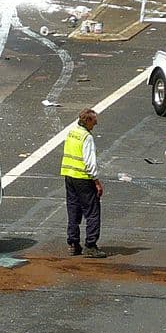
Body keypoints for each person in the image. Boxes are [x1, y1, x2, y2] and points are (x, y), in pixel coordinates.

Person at [60, 108, 106, 258]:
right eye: (94, 122)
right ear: (87, 121)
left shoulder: (72, 132)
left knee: (73, 209)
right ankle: (91, 245)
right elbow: (90, 162)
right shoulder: (87, 137)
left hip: (69, 176)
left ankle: (73, 244)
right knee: (92, 212)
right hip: (83, 178)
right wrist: (97, 181)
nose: (95, 124)